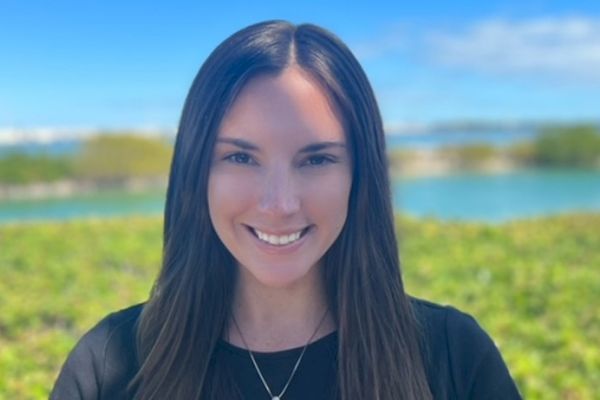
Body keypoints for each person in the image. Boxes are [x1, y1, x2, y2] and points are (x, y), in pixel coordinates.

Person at [50, 20, 521, 400]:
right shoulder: (110, 363)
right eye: (240, 157)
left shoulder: (454, 356)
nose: (280, 204)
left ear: (360, 176)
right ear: (196, 171)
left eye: (316, 159)